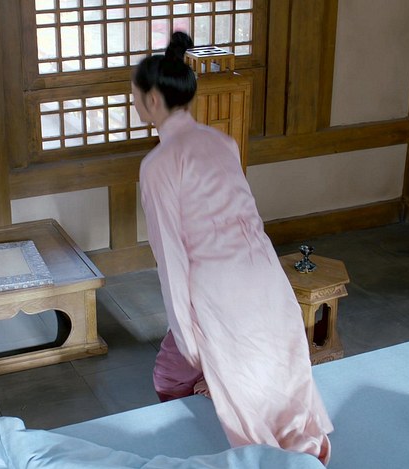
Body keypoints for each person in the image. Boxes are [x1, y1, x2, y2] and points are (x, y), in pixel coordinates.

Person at [132, 31, 334, 464]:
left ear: (152, 100)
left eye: (134, 95)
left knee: (171, 373)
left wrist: (186, 333)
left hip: (218, 288)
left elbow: (170, 255)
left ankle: (220, 452)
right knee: (279, 376)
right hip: (264, 273)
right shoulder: (222, 142)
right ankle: (306, 453)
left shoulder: (158, 164)